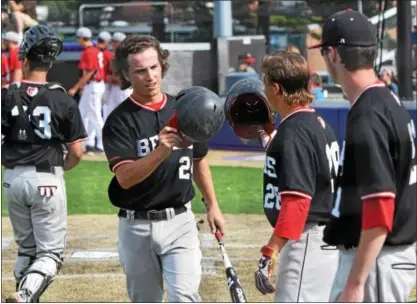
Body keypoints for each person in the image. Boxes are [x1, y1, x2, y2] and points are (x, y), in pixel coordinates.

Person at [102, 34, 226, 302]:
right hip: (136, 226)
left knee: (184, 296)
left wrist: (212, 204)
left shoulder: (184, 109)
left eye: (154, 67)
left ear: (162, 65)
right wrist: (160, 152)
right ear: (126, 74)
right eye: (140, 70)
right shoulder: (118, 121)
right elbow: (124, 178)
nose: (150, 76)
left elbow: (198, 160)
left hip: (180, 221)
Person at [310, 9, 417, 302]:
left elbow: (380, 206)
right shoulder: (387, 101)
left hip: (376, 261)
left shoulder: (368, 113)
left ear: (333, 55)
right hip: (388, 255)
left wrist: (356, 283)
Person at [1, 24, 87, 303]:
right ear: (50, 63)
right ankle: (26, 295)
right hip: (47, 177)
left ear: (23, 58)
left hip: (12, 180)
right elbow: (77, 152)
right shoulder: (62, 99)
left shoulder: (6, 94)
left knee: (27, 250)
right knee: (50, 253)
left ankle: (26, 295)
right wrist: (62, 168)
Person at [252, 51, 339, 302]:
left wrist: (270, 250)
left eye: (265, 82)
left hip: (306, 242)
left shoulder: (294, 132)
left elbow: (297, 203)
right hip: (321, 238)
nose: (264, 88)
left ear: (276, 88)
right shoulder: (316, 123)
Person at [68, 27, 106, 154]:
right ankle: (82, 145)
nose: (78, 41)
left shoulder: (90, 51)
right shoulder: (94, 49)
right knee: (82, 114)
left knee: (95, 117)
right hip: (93, 86)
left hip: (94, 85)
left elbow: (89, 72)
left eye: (78, 38)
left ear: (82, 38)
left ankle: (105, 145)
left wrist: (75, 87)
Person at [103, 32, 132, 121]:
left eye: (114, 41)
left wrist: (112, 78)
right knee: (109, 113)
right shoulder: (115, 55)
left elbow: (128, 77)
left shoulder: (126, 56)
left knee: (126, 114)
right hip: (115, 89)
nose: (112, 43)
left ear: (119, 43)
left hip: (124, 89)